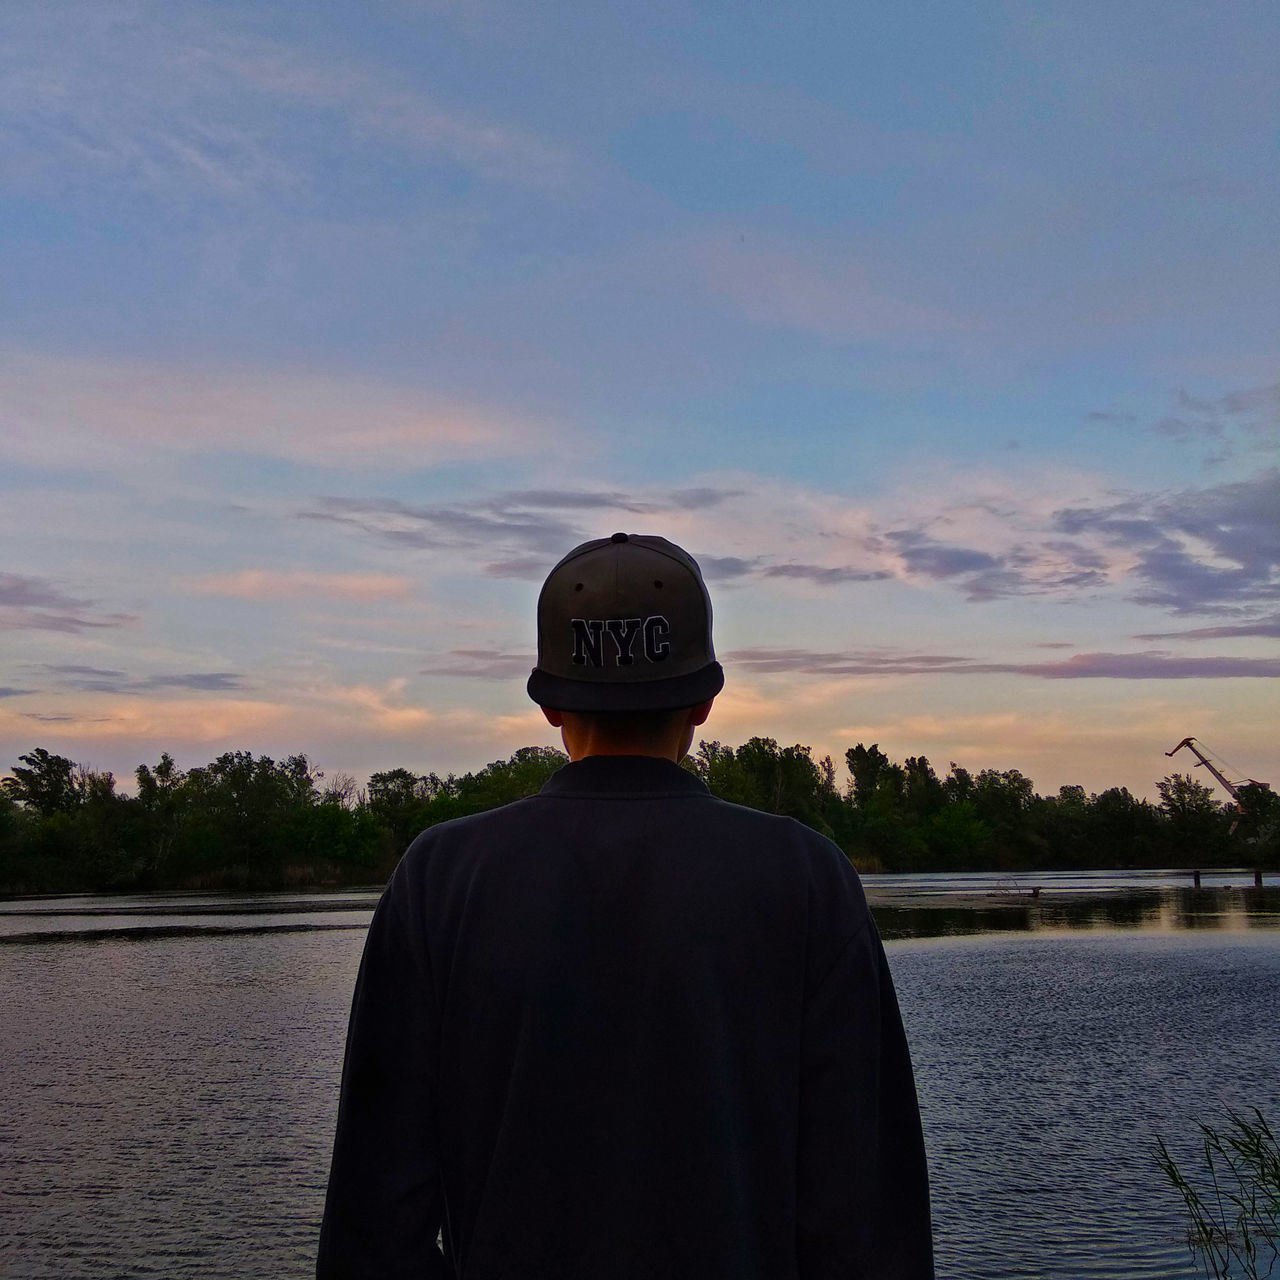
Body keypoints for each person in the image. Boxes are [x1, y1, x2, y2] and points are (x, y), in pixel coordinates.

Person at [317, 532, 934, 1279]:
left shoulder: (439, 878)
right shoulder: (807, 877)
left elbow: (375, 1220)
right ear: (705, 701)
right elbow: (863, 1214)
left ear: (547, 704)